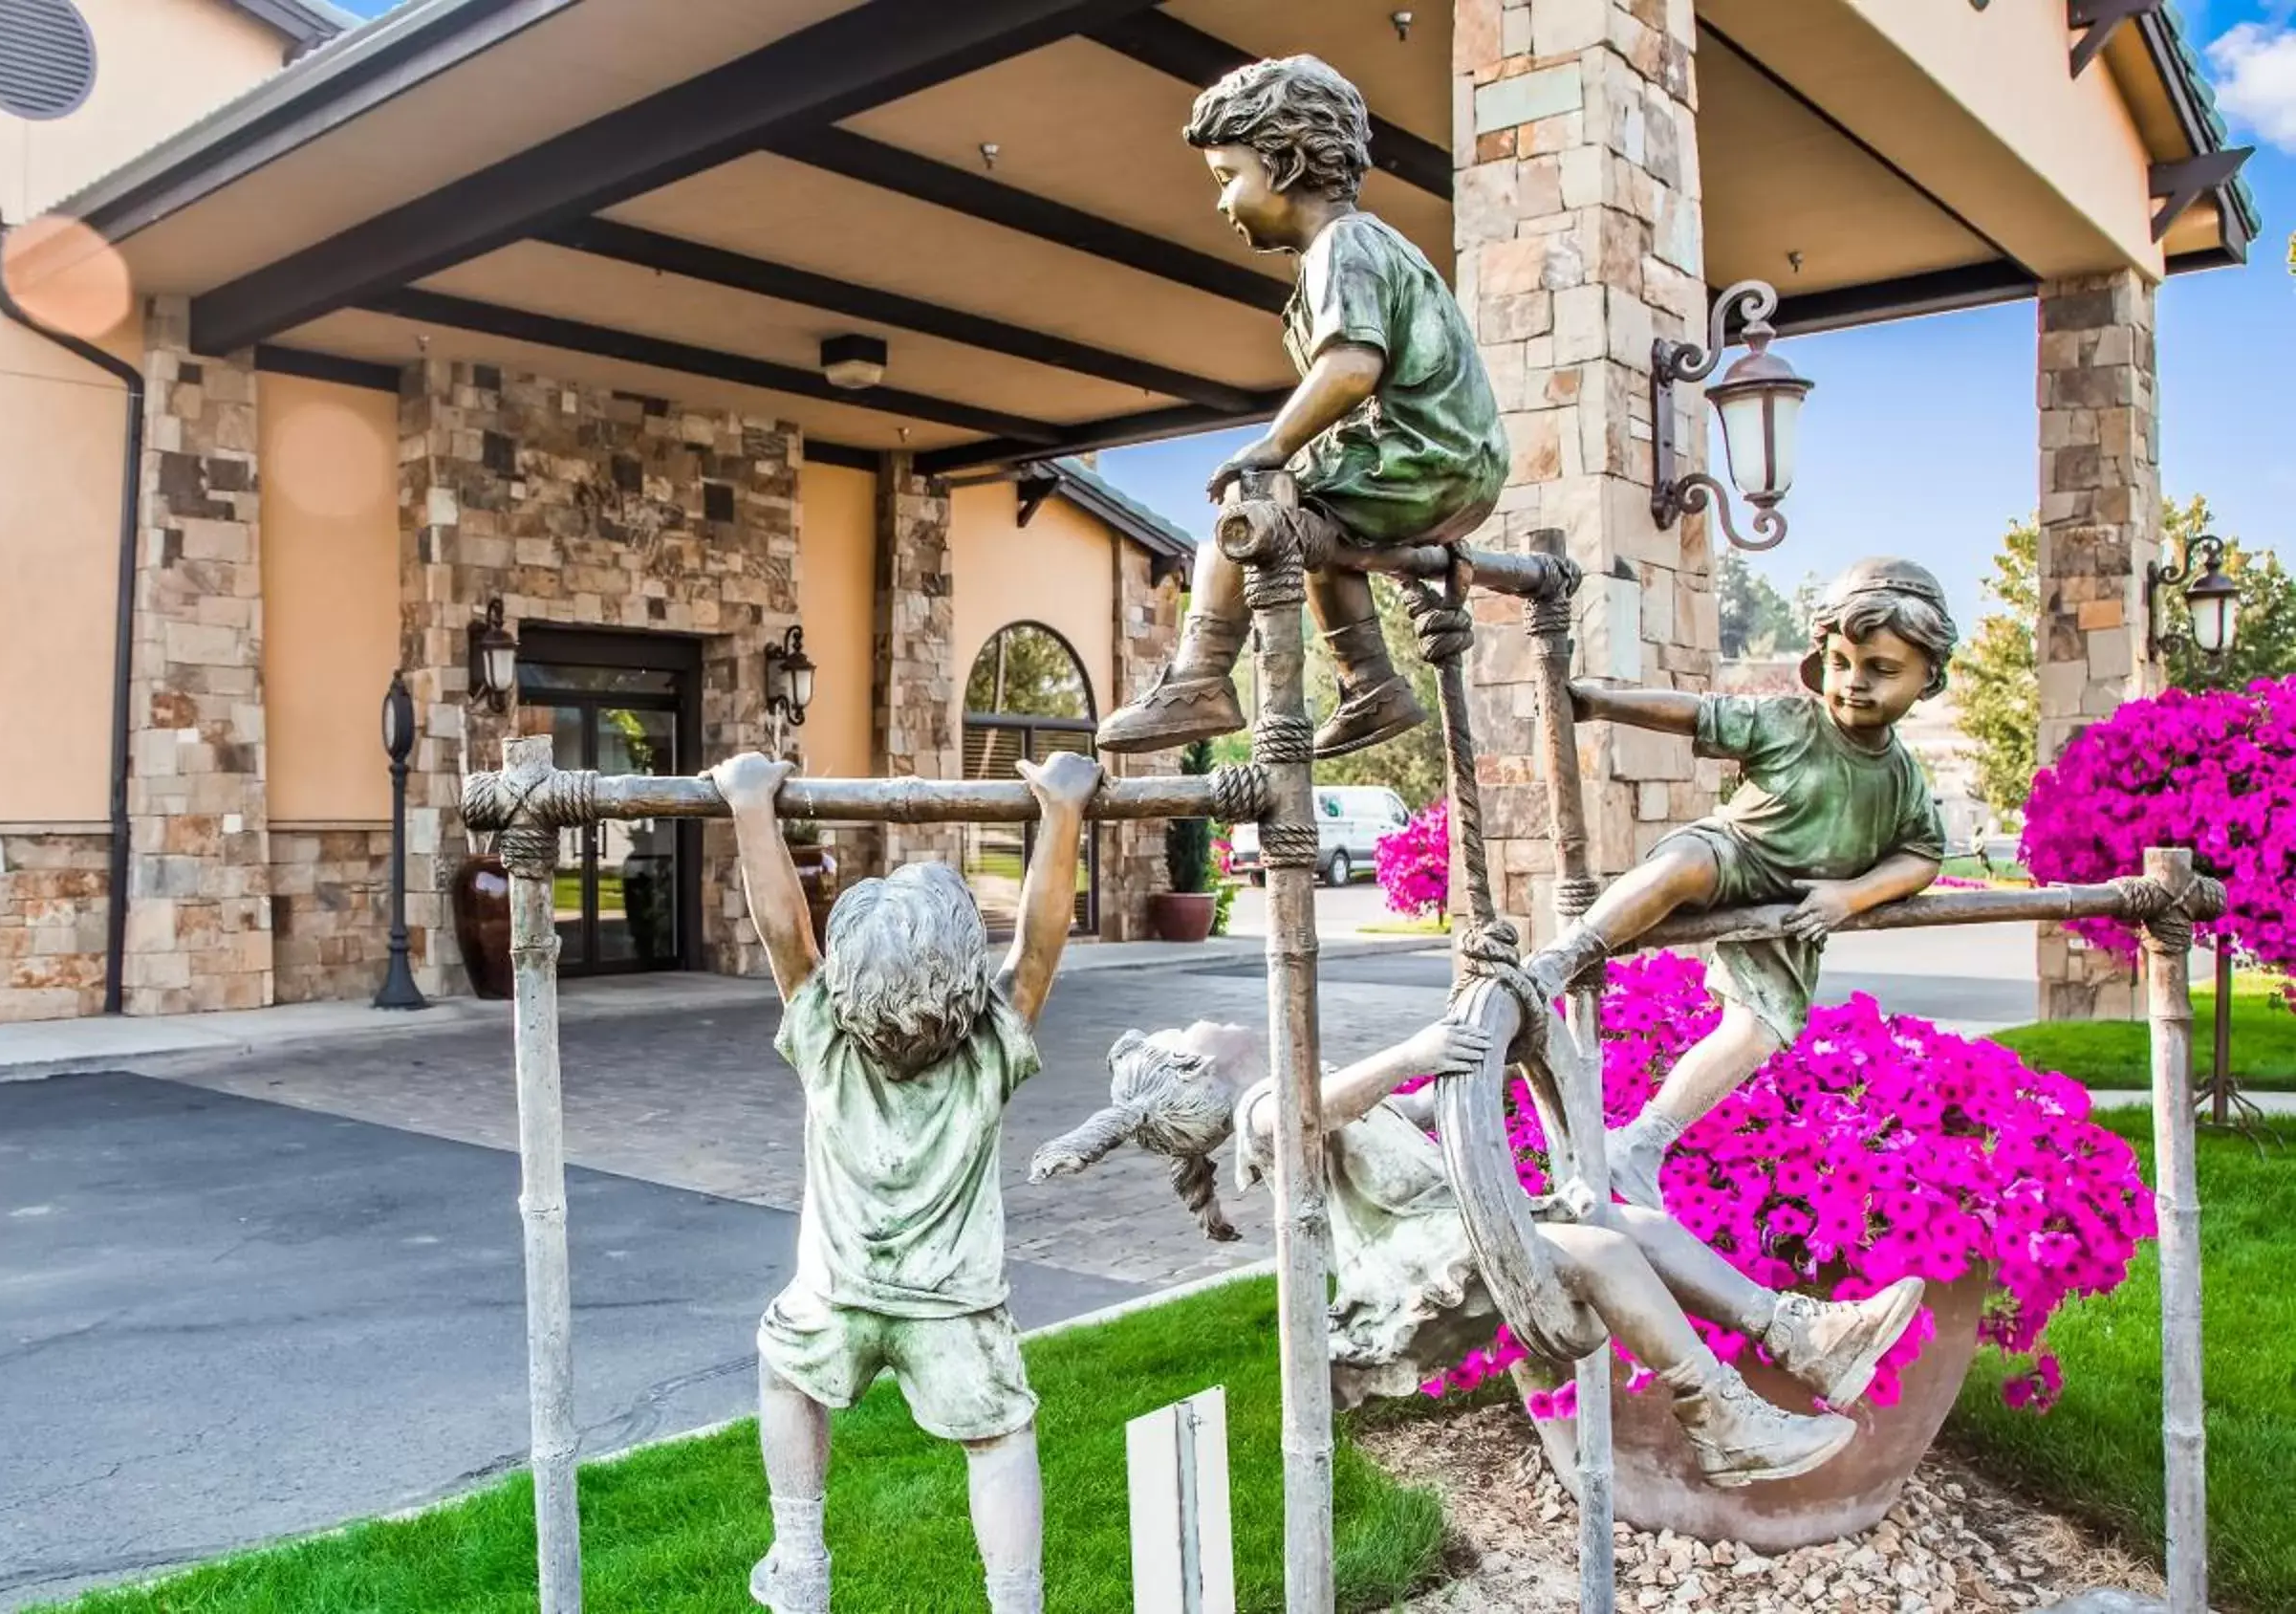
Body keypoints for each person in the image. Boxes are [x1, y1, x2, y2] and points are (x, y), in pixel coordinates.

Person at [1030, 1018, 1929, 1488]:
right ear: (1197, 1076)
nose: (1211, 1023)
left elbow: (1424, 1115)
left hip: (1460, 1224)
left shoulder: (1295, 1089)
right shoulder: (1265, 1111)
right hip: (1421, 1262)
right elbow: (1321, 1108)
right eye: (1190, 1036)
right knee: (1602, 1255)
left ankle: (1802, 1335)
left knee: (1631, 1226)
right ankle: (1723, 1422)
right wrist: (1413, 1050)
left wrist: (1493, 1043)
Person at [709, 747, 1099, 1614]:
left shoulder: (824, 1036)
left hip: (836, 1296)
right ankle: (1016, 1601)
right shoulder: (991, 1044)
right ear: (964, 974)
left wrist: (748, 807)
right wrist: (1062, 813)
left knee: (785, 1371)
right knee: (999, 1438)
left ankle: (801, 1556)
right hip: (954, 1310)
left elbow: (786, 936)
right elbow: (1039, 945)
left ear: (848, 981)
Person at [1097, 54, 1510, 761]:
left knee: (1245, 518)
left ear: (1285, 163)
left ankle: (1201, 677)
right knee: (1313, 527)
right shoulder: (1380, 247)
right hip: (1455, 463)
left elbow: (1350, 367)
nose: (1223, 204)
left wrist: (1269, 447)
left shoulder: (1341, 246)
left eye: (1229, 179)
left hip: (1416, 457)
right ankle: (1371, 681)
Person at [1526, 557, 1959, 1210]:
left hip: (1790, 906)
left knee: (1760, 1026)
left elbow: (1922, 855)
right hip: (1736, 852)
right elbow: (1696, 715)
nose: (1854, 684)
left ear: (1929, 679)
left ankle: (1642, 1143)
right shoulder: (1790, 721)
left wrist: (1850, 896)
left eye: (1881, 670)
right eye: (1841, 664)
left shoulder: (1902, 777)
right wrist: (1595, 701)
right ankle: (1561, 960)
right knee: (1680, 868)